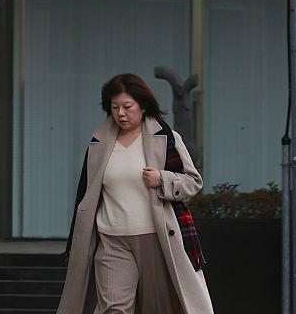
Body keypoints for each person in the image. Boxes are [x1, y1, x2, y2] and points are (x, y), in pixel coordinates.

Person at [57, 73, 214, 314]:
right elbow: (86, 193)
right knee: (113, 309)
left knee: (160, 307)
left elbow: (193, 182)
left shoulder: (165, 138)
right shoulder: (98, 143)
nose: (121, 113)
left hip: (155, 237)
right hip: (111, 239)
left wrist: (162, 178)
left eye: (127, 106)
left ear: (142, 104)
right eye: (114, 107)